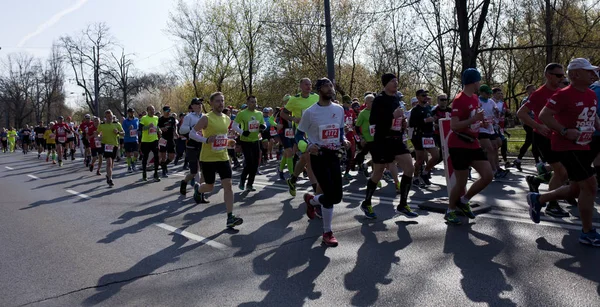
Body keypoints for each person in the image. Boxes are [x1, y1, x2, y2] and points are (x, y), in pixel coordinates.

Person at [531, 58, 600, 246]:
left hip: (584, 145)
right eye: (589, 71)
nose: (593, 74)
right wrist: (563, 130)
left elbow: (594, 119)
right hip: (566, 146)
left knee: (577, 188)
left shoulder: (591, 94)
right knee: (590, 186)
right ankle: (587, 232)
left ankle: (539, 199)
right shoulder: (563, 94)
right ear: (576, 74)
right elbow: (544, 115)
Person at [516, 63, 571, 217]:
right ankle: (551, 205)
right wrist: (538, 126)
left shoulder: (562, 91)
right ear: (548, 75)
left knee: (565, 171)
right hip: (543, 137)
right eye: (559, 75)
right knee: (561, 171)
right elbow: (521, 113)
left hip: (560, 136)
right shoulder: (539, 94)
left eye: (563, 75)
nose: (562, 78)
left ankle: (536, 180)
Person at [361, 73, 418, 219]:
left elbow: (398, 117)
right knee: (378, 171)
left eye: (396, 81)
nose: (396, 83)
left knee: (410, 168)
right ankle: (367, 203)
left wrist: (402, 123)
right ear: (385, 83)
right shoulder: (379, 100)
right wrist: (392, 116)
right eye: (393, 81)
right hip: (382, 140)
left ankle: (403, 205)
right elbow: (374, 120)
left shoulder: (396, 99)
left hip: (397, 139)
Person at [298, 78, 347, 247]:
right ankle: (327, 232)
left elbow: (340, 131)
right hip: (318, 156)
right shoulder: (310, 112)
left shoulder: (339, 109)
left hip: (334, 155)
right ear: (319, 90)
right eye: (326, 86)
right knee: (330, 196)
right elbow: (299, 136)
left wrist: (344, 139)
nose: (330, 89)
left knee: (337, 197)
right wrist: (309, 146)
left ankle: (311, 200)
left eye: (331, 86)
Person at [446, 68, 493, 224]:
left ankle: (464, 201)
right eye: (479, 80)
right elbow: (454, 125)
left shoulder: (474, 98)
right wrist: (474, 120)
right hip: (458, 144)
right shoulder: (459, 100)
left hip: (472, 143)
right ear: (474, 82)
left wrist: (481, 122)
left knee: (488, 175)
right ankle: (450, 210)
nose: (480, 83)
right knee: (461, 183)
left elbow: (474, 118)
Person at [192, 92, 243, 228]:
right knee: (209, 186)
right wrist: (206, 139)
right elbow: (192, 133)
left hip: (223, 157)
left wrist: (229, 142)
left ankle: (230, 217)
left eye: (222, 101)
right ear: (212, 103)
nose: (221, 103)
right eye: (217, 101)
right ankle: (198, 189)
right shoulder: (206, 118)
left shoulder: (227, 118)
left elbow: (222, 138)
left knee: (228, 185)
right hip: (208, 158)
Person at [281, 78, 320, 196]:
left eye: (310, 84)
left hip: (313, 132)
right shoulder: (294, 99)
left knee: (303, 159)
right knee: (308, 158)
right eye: (306, 84)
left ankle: (292, 180)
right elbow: (283, 113)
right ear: (301, 86)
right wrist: (293, 118)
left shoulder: (316, 97)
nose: (309, 86)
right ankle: (316, 191)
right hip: (300, 132)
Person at [233, 96, 265, 192]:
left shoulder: (259, 113)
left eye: (255, 102)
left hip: (256, 140)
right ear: (247, 103)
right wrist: (242, 132)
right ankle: (242, 180)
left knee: (255, 164)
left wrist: (263, 126)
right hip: (245, 141)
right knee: (249, 162)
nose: (254, 104)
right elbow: (234, 126)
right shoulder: (242, 113)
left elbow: (263, 124)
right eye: (251, 102)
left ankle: (250, 184)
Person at [409, 89, 440, 186]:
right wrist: (425, 120)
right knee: (420, 160)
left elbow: (430, 119)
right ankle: (416, 177)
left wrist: (433, 123)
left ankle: (425, 173)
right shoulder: (415, 110)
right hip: (419, 136)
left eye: (426, 95)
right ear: (418, 97)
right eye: (423, 95)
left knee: (436, 156)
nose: (425, 97)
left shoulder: (428, 108)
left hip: (428, 135)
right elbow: (411, 124)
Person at [514, 85, 540, 170]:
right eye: (532, 89)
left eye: (534, 89)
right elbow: (522, 114)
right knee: (534, 141)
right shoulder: (526, 100)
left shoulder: (536, 99)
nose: (534, 91)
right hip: (528, 124)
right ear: (527, 91)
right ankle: (538, 162)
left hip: (535, 123)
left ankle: (518, 160)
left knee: (528, 142)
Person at [97, 110, 124, 187]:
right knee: (108, 162)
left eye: (110, 116)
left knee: (111, 164)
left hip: (114, 145)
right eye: (108, 117)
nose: (109, 118)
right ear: (105, 117)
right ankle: (110, 179)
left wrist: (118, 133)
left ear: (112, 116)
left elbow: (123, 133)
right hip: (106, 145)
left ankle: (108, 175)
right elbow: (97, 133)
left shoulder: (117, 124)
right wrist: (99, 137)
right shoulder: (102, 125)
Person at [354, 94, 375, 177]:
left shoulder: (377, 111)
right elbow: (357, 127)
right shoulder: (363, 113)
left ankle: (374, 174)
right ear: (366, 103)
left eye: (374, 101)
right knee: (363, 153)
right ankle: (361, 164)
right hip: (367, 139)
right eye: (372, 101)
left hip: (376, 138)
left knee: (376, 157)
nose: (374, 103)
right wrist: (361, 138)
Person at [139, 106, 161, 182]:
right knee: (145, 157)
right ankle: (144, 173)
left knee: (156, 156)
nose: (152, 111)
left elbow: (157, 127)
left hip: (154, 140)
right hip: (146, 141)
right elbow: (141, 129)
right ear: (147, 110)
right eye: (151, 110)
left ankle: (156, 173)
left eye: (153, 110)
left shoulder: (156, 118)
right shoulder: (144, 118)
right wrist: (148, 126)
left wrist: (159, 130)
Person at [158, 106, 178, 178]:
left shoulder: (172, 119)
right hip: (163, 139)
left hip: (170, 139)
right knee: (163, 156)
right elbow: (158, 128)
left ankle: (164, 165)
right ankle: (164, 171)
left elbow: (174, 127)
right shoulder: (160, 119)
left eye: (169, 110)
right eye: (167, 110)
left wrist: (176, 133)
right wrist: (162, 129)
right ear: (164, 111)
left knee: (172, 156)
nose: (168, 112)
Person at [122, 108, 140, 173]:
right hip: (127, 139)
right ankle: (129, 166)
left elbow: (139, 128)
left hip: (135, 139)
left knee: (136, 154)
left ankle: (132, 162)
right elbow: (123, 131)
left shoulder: (137, 120)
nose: (131, 113)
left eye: (132, 112)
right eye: (130, 112)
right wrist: (128, 129)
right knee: (128, 154)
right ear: (128, 113)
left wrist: (139, 131)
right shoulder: (125, 121)